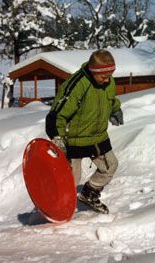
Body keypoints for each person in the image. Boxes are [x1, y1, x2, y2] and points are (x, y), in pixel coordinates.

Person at [45, 49, 124, 214]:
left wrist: (115, 109)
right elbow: (57, 114)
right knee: (71, 179)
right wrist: (57, 138)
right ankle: (58, 208)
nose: (107, 79)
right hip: (73, 138)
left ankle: (89, 194)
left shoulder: (108, 81)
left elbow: (110, 99)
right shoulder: (77, 85)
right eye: (103, 76)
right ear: (93, 71)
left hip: (97, 136)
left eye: (110, 75)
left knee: (110, 166)